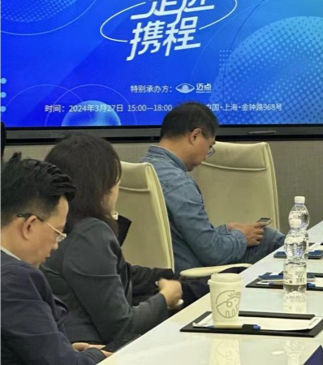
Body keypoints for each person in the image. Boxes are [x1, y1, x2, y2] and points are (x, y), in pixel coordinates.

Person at [41, 134, 183, 347]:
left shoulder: (57, 228)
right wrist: (166, 298)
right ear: (102, 188)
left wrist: (172, 277)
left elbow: (117, 273)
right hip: (96, 352)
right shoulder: (89, 234)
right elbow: (121, 329)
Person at [142, 102, 285, 274]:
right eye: (209, 146)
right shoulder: (179, 184)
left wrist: (226, 230)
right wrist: (242, 236)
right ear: (195, 136)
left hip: (151, 274)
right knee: (269, 239)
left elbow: (178, 238)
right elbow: (213, 253)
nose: (206, 155)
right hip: (191, 275)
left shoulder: (143, 170)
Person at [0, 154, 109, 364]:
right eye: (57, 233)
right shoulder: (15, 278)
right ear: (29, 225)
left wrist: (62, 347)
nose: (56, 244)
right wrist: (96, 355)